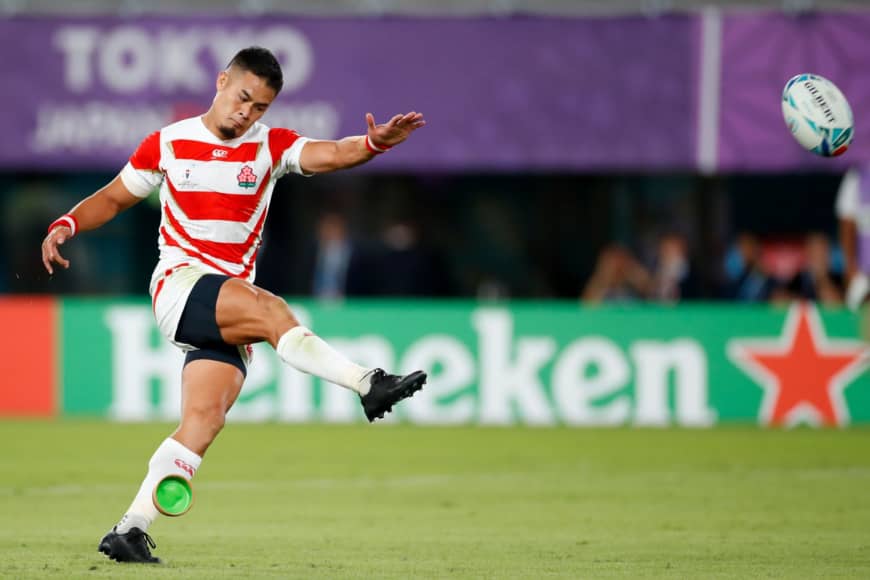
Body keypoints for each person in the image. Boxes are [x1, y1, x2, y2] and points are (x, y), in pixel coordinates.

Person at [40, 47, 427, 565]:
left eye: (260, 106)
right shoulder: (169, 144)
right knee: (271, 311)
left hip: (227, 305)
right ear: (223, 82)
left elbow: (333, 153)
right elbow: (112, 198)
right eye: (243, 97)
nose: (247, 112)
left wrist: (373, 144)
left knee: (203, 422)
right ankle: (367, 382)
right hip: (181, 288)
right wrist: (66, 223)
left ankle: (130, 528)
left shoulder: (271, 147)